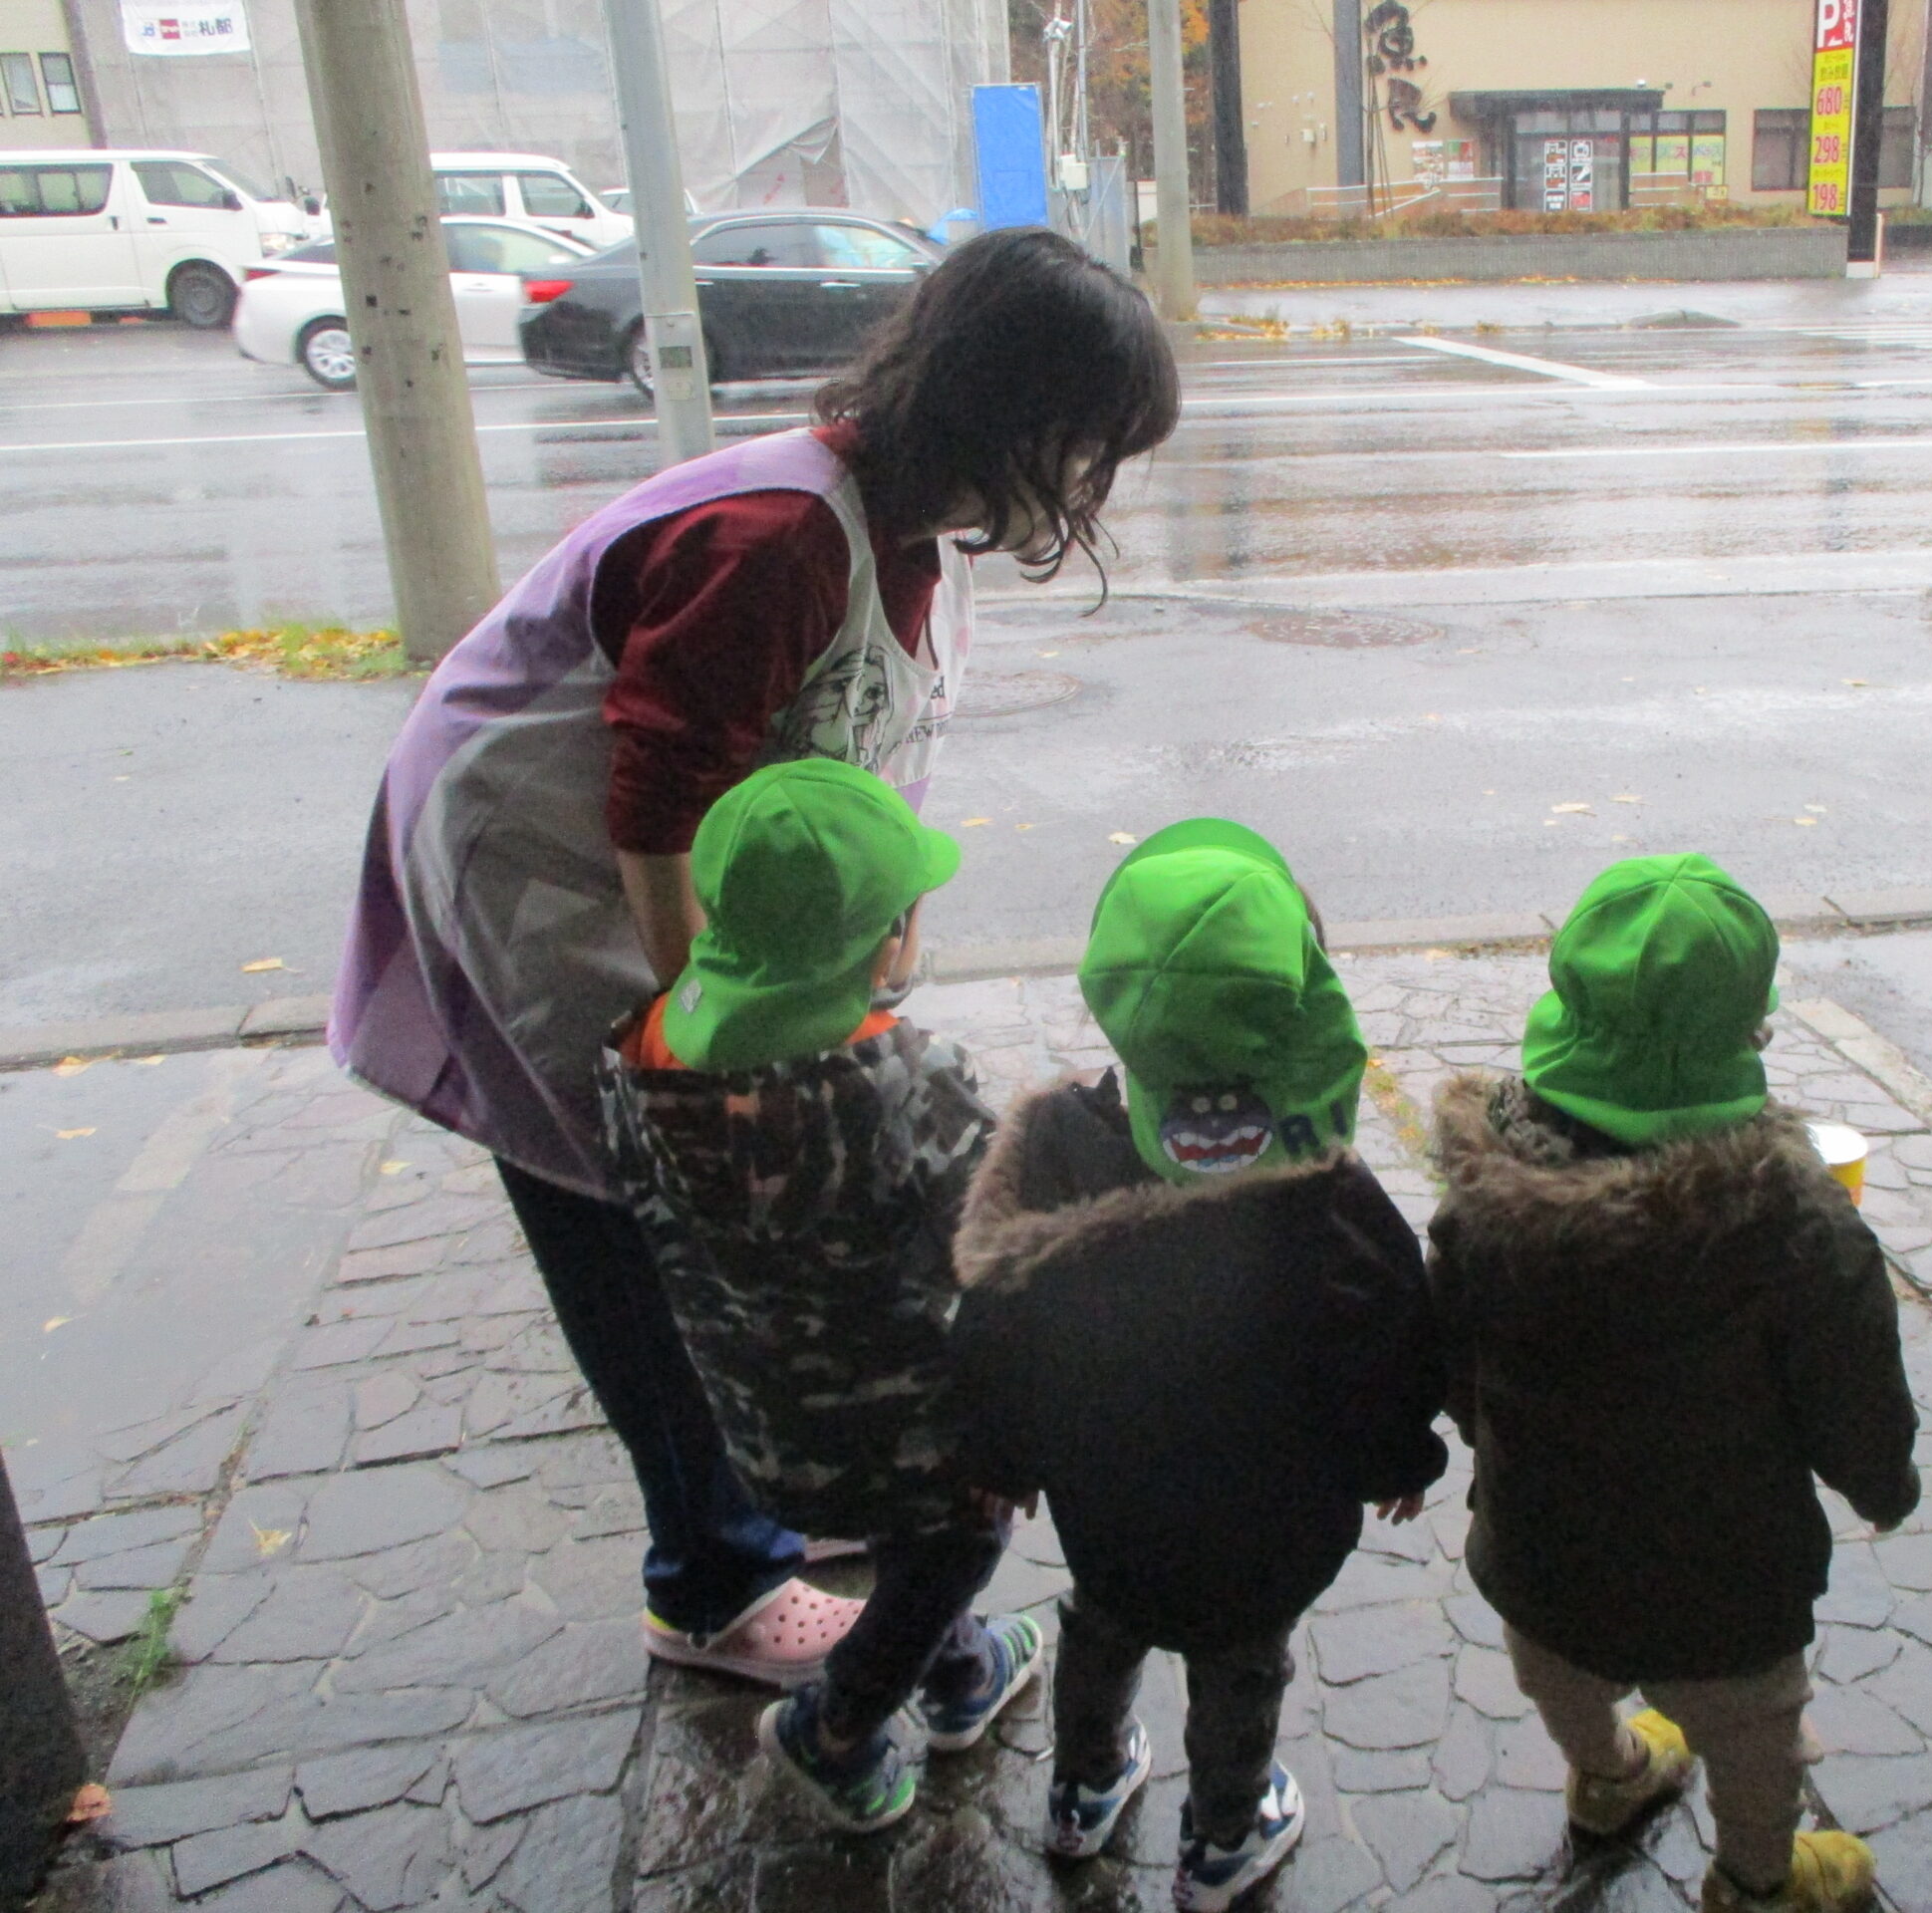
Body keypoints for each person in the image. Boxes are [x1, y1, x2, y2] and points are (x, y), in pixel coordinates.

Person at [329, 227, 1179, 1685]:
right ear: (1006, 412)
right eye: (1088, 445)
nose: (1092, 483)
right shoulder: (776, 537)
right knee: (636, 1204)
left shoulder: (915, 530)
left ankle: (782, 1481)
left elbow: (856, 755)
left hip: (671, 872)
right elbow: (657, 807)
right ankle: (711, 1578)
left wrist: (853, 957)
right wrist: (704, 1054)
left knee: (731, 1207)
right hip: (546, 867)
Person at [949, 821, 1447, 1913]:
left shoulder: (1056, 1145)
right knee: (1240, 1668)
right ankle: (1224, 1839)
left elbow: (993, 1320)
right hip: (1264, 1534)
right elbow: (1385, 1339)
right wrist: (1400, 1458)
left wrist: (997, 1457)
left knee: (1100, 1625)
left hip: (1110, 1515)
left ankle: (1081, 1789)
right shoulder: (1326, 1191)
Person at [1425, 855, 1922, 1913]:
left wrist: (1489, 1439)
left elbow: (1456, 1363)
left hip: (1541, 1550)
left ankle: (1608, 1777)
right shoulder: (1794, 1225)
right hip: (1724, 1587)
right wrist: (1884, 1483)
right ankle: (1757, 1880)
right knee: (1754, 1735)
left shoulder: (1482, 1201)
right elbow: (1852, 1387)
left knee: (1557, 1681)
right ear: (1746, 1033)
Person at [595, 759, 1041, 1831]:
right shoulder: (904, 1081)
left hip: (753, 1420)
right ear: (883, 943)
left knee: (915, 1554)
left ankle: (962, 1672)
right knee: (955, 1545)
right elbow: (1000, 1258)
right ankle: (834, 1728)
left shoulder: (640, 1051)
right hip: (910, 1431)